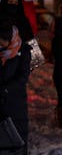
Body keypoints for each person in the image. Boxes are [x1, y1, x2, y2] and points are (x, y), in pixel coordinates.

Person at [0, 16, 31, 154]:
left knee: (18, 137)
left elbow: (23, 76)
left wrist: (6, 88)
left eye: (2, 44)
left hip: (15, 101)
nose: (0, 47)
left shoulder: (23, 50)